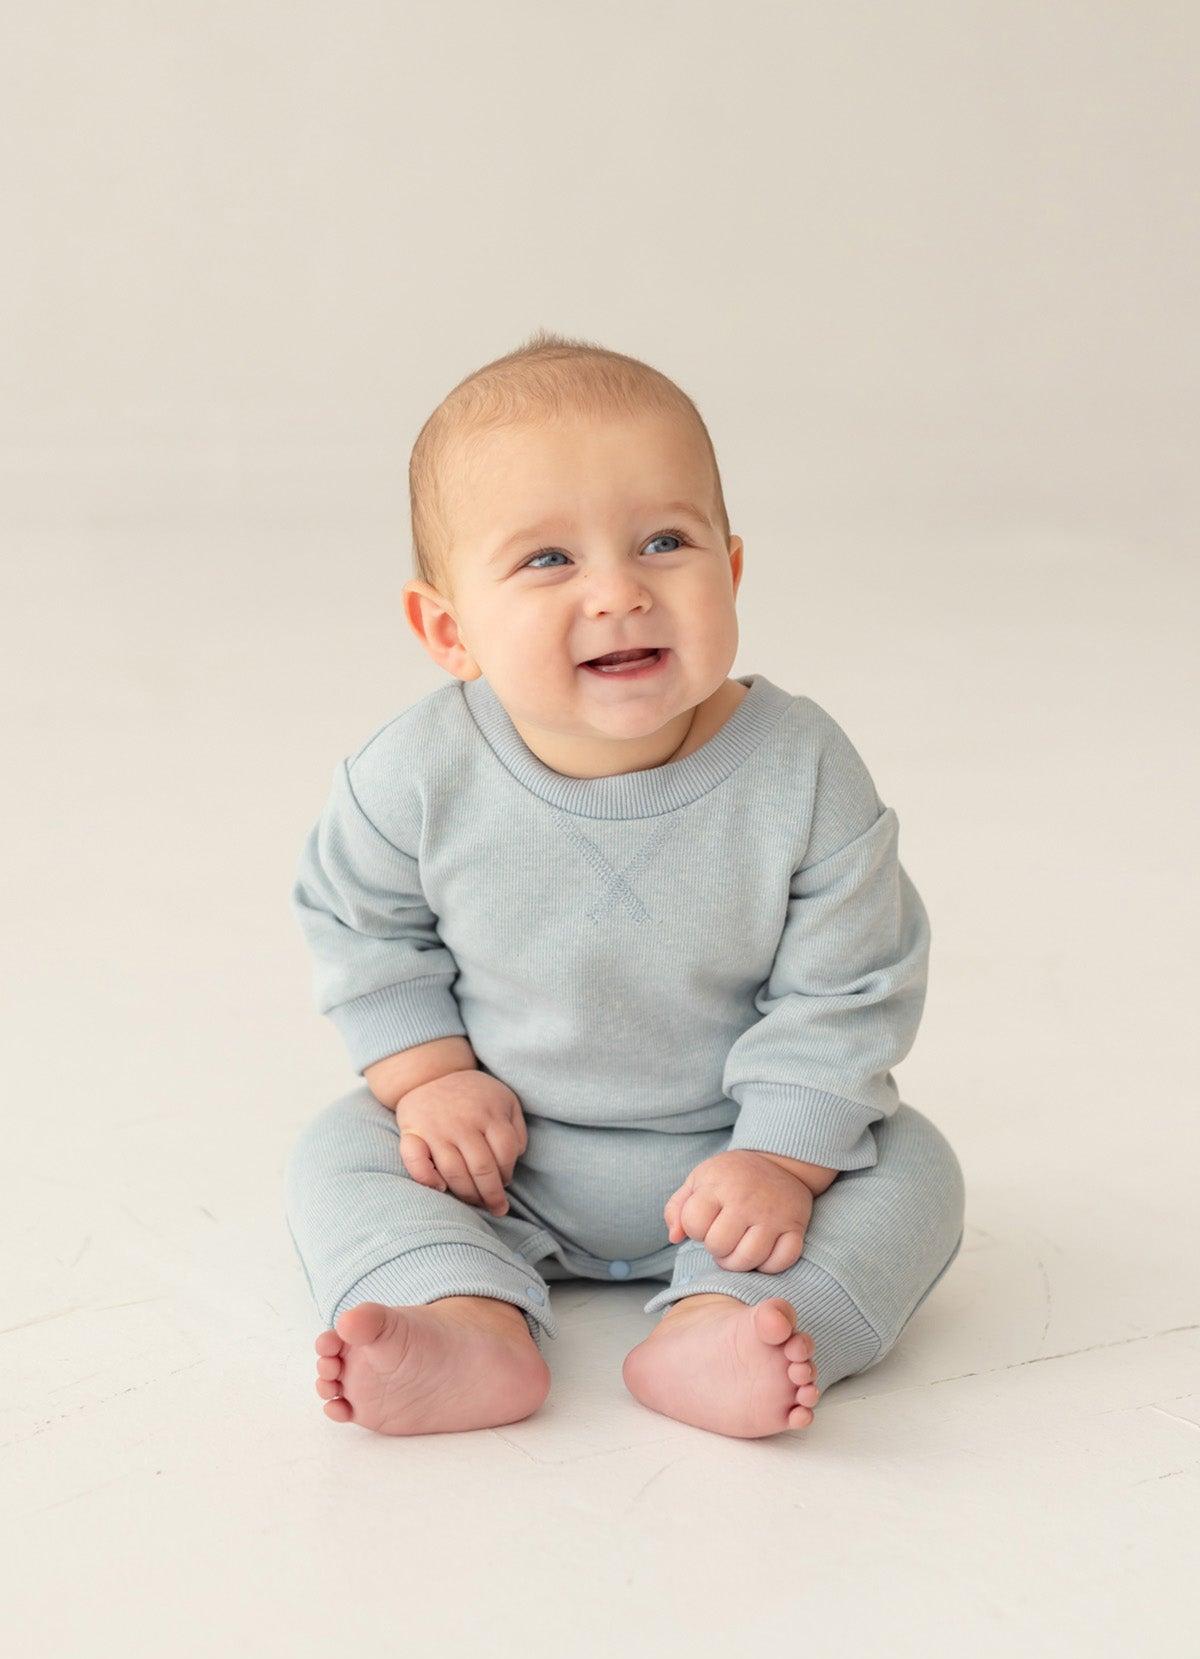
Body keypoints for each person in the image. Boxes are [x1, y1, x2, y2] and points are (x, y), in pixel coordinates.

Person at [284, 329, 965, 1440]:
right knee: (339, 1149)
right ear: (448, 628)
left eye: (663, 542)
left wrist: (782, 1157)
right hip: (502, 1152)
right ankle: (460, 1316)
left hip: (740, 1155)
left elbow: (853, 982)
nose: (619, 592)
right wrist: (429, 1080)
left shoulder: (801, 768)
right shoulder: (414, 774)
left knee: (916, 1171)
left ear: (732, 571)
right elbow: (362, 926)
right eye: (549, 561)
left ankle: (728, 1323)